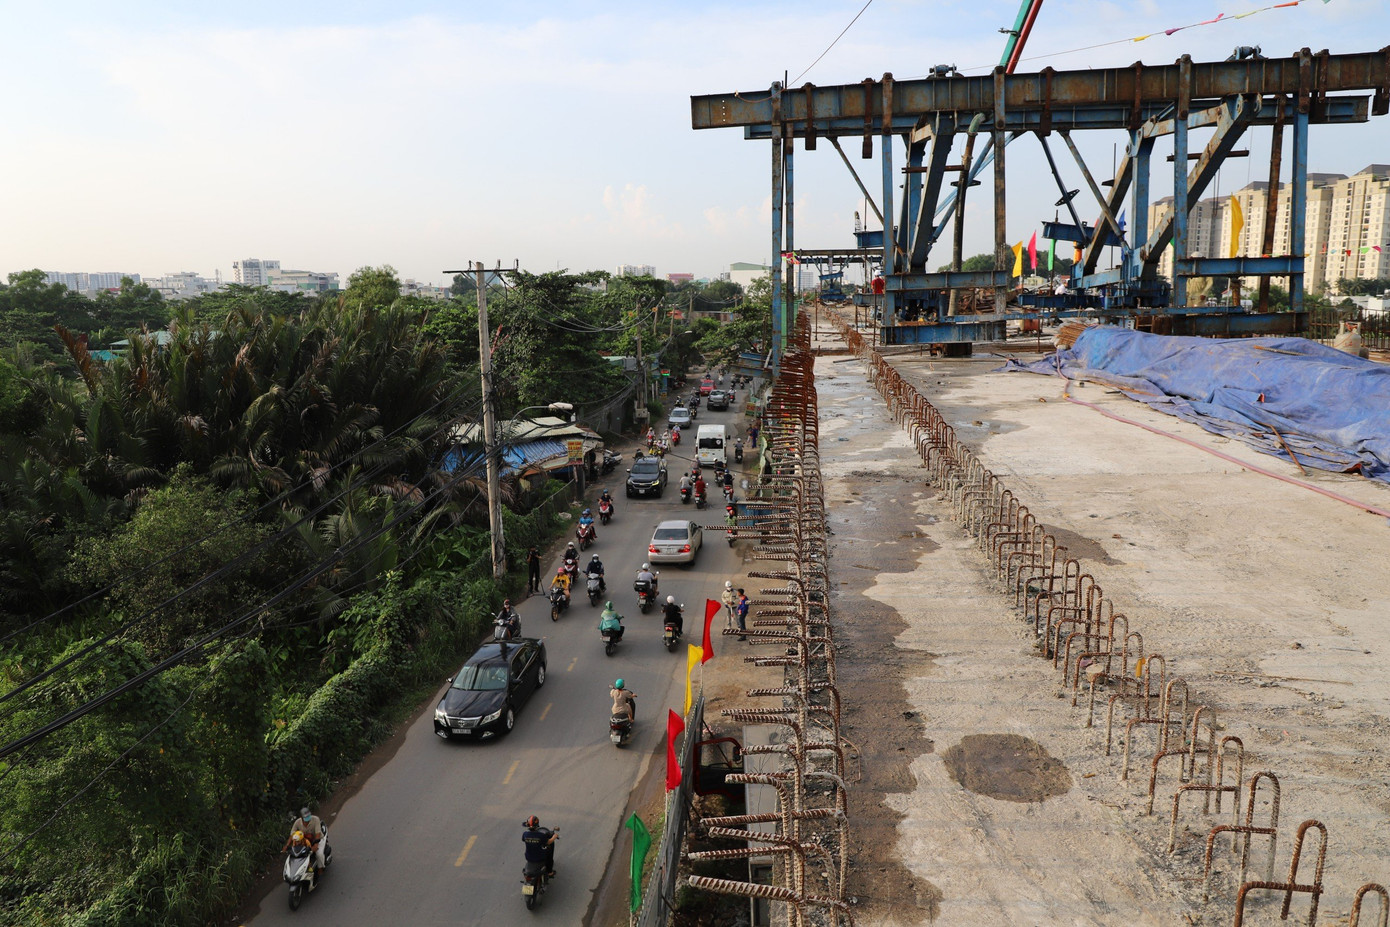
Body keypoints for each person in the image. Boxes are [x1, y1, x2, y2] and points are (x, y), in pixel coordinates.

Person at [284, 806, 326, 872]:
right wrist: (287, 845)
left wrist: (316, 845)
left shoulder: (316, 819)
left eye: (308, 816)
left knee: (319, 854)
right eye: (306, 817)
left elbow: (317, 834)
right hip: (305, 841)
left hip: (318, 839)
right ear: (301, 817)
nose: (308, 818)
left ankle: (320, 868)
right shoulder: (297, 822)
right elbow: (292, 835)